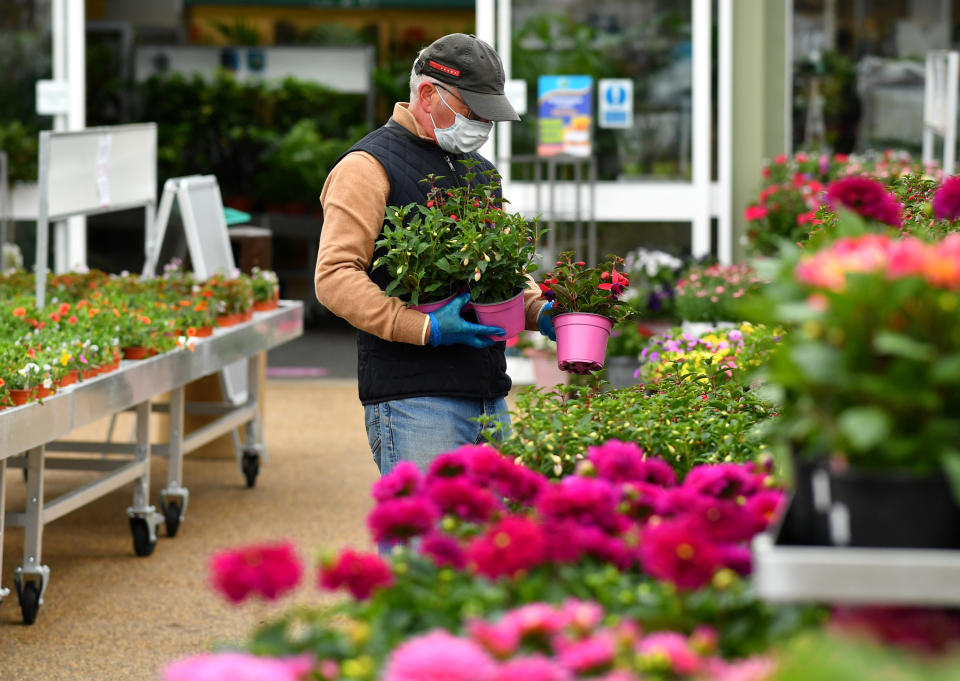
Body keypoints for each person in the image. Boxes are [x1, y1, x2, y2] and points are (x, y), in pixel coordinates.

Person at [314, 33, 556, 477]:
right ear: (428, 94)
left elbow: (496, 272)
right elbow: (334, 276)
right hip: (415, 402)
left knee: (491, 543)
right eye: (474, 111)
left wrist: (539, 309)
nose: (483, 125)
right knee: (430, 544)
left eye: (489, 115)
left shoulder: (479, 171)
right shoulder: (366, 167)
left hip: (487, 393)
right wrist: (423, 327)